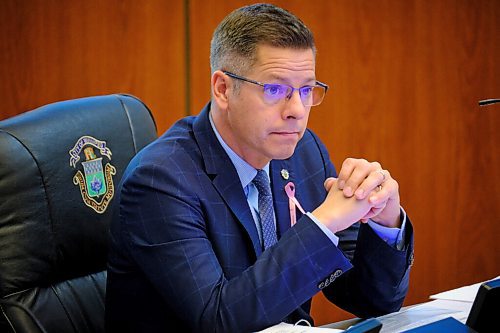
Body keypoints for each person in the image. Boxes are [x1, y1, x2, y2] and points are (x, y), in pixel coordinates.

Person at [105, 3, 414, 332]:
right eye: (275, 89)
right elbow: (218, 319)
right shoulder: (161, 181)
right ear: (223, 89)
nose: (296, 110)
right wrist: (324, 222)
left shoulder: (305, 152)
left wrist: (385, 222)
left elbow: (371, 300)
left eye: (306, 90)